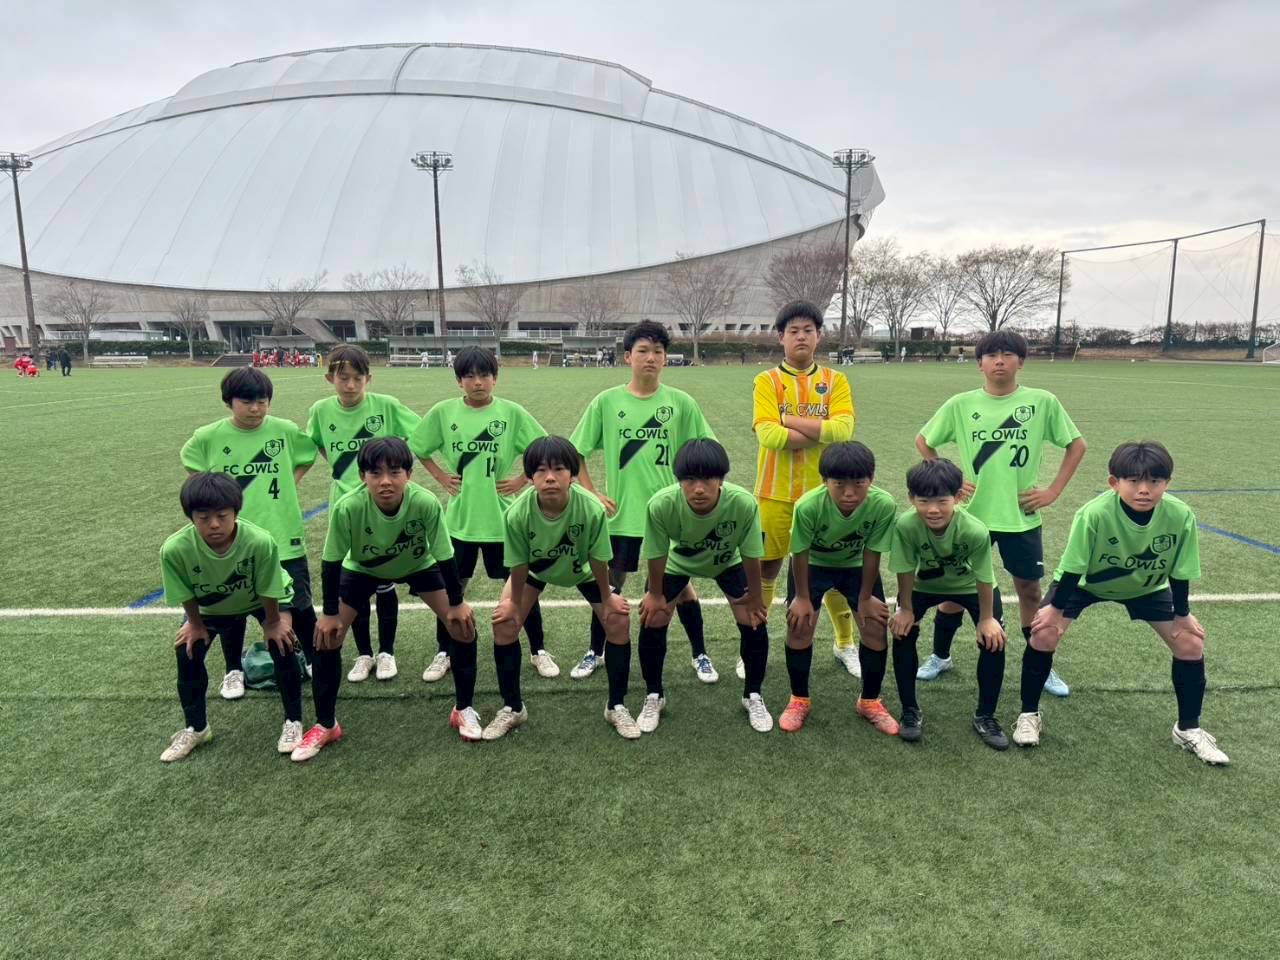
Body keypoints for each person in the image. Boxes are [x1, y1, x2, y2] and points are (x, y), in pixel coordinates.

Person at [1016, 441, 1228, 764]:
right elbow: (1073, 567)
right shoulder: (1094, 513)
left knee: (1190, 643)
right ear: (1114, 483)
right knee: (1043, 633)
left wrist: (1182, 614)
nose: (1144, 490)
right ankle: (1028, 715)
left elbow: (1181, 570)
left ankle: (1188, 728)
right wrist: (1055, 610)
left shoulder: (1180, 515)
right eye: (1134, 481)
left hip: (1147, 587)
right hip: (1084, 585)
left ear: (1167, 483)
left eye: (1154, 481)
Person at [915, 329, 1086, 699]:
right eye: (991, 355)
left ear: (1020, 361)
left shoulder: (1042, 402)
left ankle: (1040, 662)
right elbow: (924, 441)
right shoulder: (961, 404)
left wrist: (1053, 491)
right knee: (955, 587)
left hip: (1020, 516)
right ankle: (941, 655)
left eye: (1008, 354)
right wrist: (949, 479)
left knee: (1030, 589)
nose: (999, 361)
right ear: (979, 363)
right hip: (970, 517)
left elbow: (1077, 445)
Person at [567, 320, 718, 683]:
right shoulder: (607, 402)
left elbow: (708, 452)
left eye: (658, 352)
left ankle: (700, 653)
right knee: (609, 587)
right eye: (643, 351)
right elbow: (574, 453)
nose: (650, 358)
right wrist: (590, 492)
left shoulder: (681, 403)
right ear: (627, 357)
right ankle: (596, 650)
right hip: (621, 517)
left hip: (669, 518)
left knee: (681, 587)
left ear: (666, 358)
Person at [312, 438, 476, 759]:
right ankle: (326, 724)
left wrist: (457, 603)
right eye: (375, 473)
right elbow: (331, 563)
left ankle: (463, 709)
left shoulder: (425, 503)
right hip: (363, 568)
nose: (385, 481)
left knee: (463, 626)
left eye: (395, 472)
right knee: (327, 637)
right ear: (363, 476)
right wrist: (330, 613)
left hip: (417, 565)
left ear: (409, 475)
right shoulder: (348, 507)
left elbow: (444, 555)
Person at [410, 346, 551, 685]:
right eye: (470, 376)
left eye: (485, 375)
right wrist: (441, 476)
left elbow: (543, 448)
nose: (478, 382)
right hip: (460, 521)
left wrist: (521, 479)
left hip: (502, 521)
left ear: (495, 378)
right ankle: (444, 652)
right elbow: (418, 446)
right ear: (459, 381)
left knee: (520, 587)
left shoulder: (511, 413)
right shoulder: (444, 412)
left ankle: (538, 649)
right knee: (451, 590)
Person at [181, 367, 319, 692]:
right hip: (231, 542)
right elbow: (197, 478)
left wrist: (290, 482)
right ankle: (233, 669)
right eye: (246, 401)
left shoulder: (285, 430)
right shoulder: (207, 437)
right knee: (232, 609)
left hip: (282, 535)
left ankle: (315, 659)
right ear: (229, 402)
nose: (256, 408)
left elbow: (308, 455)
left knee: (299, 604)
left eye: (262, 401)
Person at [494, 436, 639, 740]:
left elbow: (599, 559)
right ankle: (513, 708)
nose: (550, 477)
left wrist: (607, 598)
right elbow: (519, 564)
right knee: (504, 623)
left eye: (559, 469)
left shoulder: (591, 508)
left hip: (584, 570)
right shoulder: (517, 513)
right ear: (530, 477)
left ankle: (616, 706)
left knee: (618, 620)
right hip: (536, 568)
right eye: (541, 470)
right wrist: (513, 604)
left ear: (572, 474)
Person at [159, 473, 305, 761]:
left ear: (236, 513)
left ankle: (293, 721)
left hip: (263, 599)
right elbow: (184, 592)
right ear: (191, 517)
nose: (214, 524)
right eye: (203, 517)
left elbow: (269, 587)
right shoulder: (174, 549)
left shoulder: (260, 542)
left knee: (282, 642)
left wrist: (273, 623)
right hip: (210, 607)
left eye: (222, 516)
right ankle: (196, 728)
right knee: (187, 649)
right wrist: (195, 625)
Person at [752, 300, 860, 682]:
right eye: (793, 331)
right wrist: (818, 429)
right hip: (774, 493)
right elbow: (769, 436)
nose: (801, 336)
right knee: (767, 567)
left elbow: (843, 431)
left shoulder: (835, 380)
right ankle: (755, 644)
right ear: (780, 337)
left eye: (808, 330)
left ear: (819, 336)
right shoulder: (767, 381)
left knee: (831, 568)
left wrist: (788, 419)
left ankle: (845, 643)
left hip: (824, 496)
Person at [637, 439, 770, 734]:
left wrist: (755, 597)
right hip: (678, 562)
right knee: (653, 617)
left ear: (721, 479)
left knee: (754, 620)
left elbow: (751, 554)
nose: (698, 488)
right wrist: (655, 594)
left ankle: (753, 695)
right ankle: (654, 694)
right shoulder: (661, 504)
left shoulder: (743, 503)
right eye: (689, 479)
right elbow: (656, 553)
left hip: (727, 561)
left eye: (707, 479)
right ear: (679, 480)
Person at [306, 345, 421, 684]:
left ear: (369, 379)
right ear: (330, 378)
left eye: (358, 378)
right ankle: (364, 654)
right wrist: (341, 468)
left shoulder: (386, 406)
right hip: (345, 506)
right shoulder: (320, 410)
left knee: (384, 580)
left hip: (382, 506)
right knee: (353, 583)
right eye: (343, 377)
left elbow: (421, 434)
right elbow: (316, 443)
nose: (351, 385)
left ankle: (386, 652)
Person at [780, 441, 899, 736]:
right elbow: (799, 553)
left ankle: (869, 702)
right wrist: (802, 597)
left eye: (859, 484)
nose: (849, 493)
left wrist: (865, 598)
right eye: (839, 484)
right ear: (825, 481)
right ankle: (799, 699)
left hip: (856, 565)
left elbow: (872, 552)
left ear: (871, 479)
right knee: (800, 625)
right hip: (813, 565)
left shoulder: (883, 504)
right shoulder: (808, 506)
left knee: (874, 625)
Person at [889, 458, 1008, 749]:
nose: (933, 509)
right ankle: (909, 710)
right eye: (924, 501)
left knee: (994, 639)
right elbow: (905, 569)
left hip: (970, 587)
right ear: (911, 498)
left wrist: (987, 619)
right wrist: (906, 609)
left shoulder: (974, 530)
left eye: (942, 501)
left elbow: (984, 577)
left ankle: (986, 715)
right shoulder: (906, 525)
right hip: (923, 586)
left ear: (957, 497)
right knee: (902, 631)